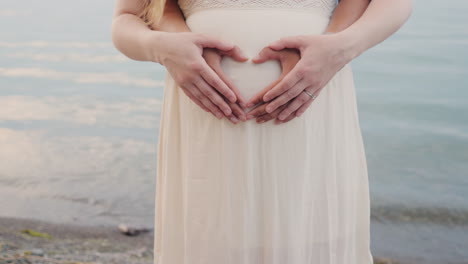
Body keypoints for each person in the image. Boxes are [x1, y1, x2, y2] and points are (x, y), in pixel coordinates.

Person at [112, 0, 412, 263]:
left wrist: (340, 47)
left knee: (311, 233)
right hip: (206, 117)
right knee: (210, 236)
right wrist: (162, 48)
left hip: (313, 103)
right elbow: (128, 18)